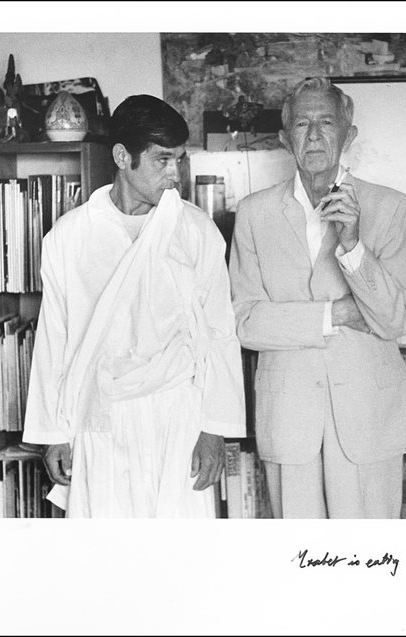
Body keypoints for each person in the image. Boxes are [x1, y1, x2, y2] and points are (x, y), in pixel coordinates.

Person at [22, 95, 246, 518]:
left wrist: (216, 430)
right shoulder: (70, 238)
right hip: (100, 414)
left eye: (179, 160)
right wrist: (53, 432)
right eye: (163, 160)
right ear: (123, 156)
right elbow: (54, 337)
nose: (174, 174)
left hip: (177, 413)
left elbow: (220, 332)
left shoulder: (195, 231)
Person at [228, 77, 406, 519]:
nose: (314, 135)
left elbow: (394, 319)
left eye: (326, 123)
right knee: (301, 564)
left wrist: (353, 244)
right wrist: (335, 315)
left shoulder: (390, 207)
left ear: (348, 134)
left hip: (369, 419)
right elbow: (246, 322)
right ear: (284, 138)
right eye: (302, 124)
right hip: (288, 418)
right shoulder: (254, 213)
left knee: (370, 563)